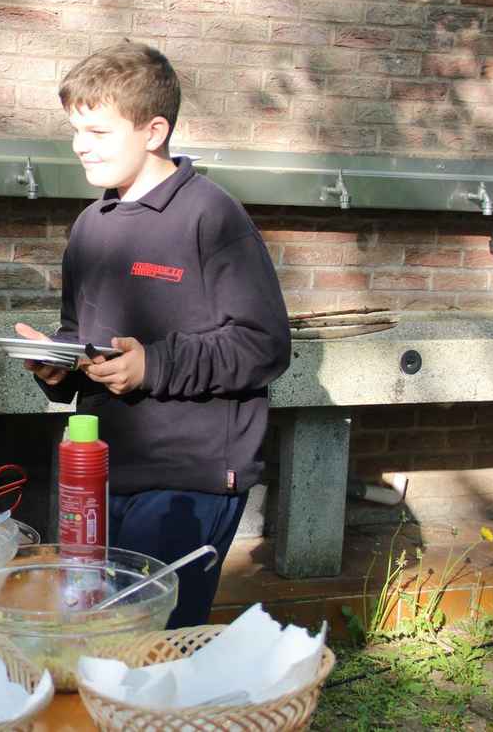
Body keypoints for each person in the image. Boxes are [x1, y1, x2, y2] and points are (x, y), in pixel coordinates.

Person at [17, 41, 290, 629]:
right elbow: (84, 333)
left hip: (189, 479)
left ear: (154, 131)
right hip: (101, 469)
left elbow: (264, 343)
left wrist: (154, 366)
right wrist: (58, 364)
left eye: (97, 131)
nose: (79, 145)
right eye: (75, 130)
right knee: (94, 634)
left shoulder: (212, 216)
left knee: (153, 643)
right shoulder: (90, 225)